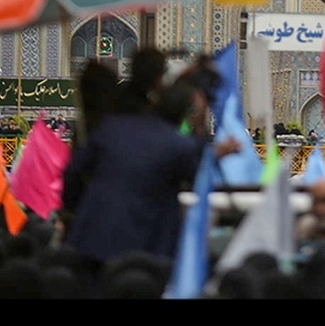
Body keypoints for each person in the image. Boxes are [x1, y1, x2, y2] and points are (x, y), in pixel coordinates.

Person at [61, 48, 239, 271]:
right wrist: (201, 125)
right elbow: (200, 179)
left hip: (93, 241)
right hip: (147, 250)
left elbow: (71, 177)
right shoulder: (175, 144)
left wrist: (76, 212)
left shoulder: (109, 130)